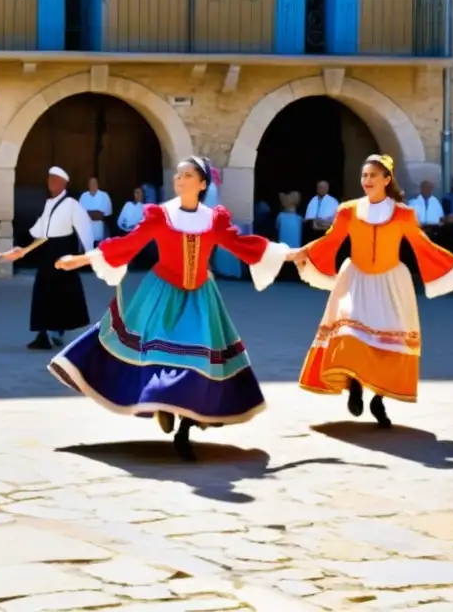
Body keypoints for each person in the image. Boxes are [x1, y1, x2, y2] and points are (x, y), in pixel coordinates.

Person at [49, 156, 289, 461]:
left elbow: (244, 246)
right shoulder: (161, 216)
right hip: (161, 295)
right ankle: (164, 405)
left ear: (202, 184)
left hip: (201, 298)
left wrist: (289, 255)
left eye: (188, 175)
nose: (180, 179)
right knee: (159, 355)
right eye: (178, 175)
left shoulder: (213, 219)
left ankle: (184, 429)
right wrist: (81, 259)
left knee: (199, 361)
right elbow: (128, 244)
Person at [287, 155, 453, 429]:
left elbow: (426, 247)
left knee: (389, 342)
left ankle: (379, 399)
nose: (367, 180)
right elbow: (331, 239)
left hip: (392, 283)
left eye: (372, 175)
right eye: (364, 175)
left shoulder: (404, 214)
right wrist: (300, 252)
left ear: (386, 179)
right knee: (350, 331)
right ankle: (355, 384)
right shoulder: (348, 210)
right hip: (356, 279)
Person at [0, 166, 93, 351]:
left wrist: (89, 256)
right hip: (46, 251)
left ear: (64, 183)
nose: (51, 183)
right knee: (43, 291)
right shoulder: (48, 204)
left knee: (63, 292)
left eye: (55, 179)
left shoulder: (71, 204)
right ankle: (42, 333)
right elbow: (40, 231)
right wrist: (22, 250)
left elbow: (85, 228)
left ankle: (57, 330)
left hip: (63, 250)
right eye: (49, 179)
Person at [117, 186, 153, 270]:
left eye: (139, 192)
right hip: (126, 231)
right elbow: (121, 219)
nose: (137, 195)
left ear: (143, 194)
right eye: (135, 192)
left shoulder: (146, 206)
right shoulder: (128, 205)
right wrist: (126, 226)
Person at [275, 191, 304, 282]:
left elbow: (276, 226)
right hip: (290, 242)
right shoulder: (296, 217)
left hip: (289, 242)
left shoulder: (297, 217)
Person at [79, 177, 113, 247]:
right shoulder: (83, 196)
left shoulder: (104, 196)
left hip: (100, 232)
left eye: (94, 183)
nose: (93, 185)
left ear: (98, 184)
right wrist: (96, 213)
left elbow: (105, 215)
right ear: (88, 185)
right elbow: (81, 215)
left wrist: (89, 214)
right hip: (86, 233)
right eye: (91, 183)